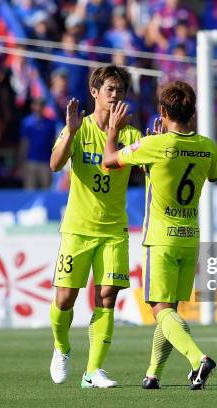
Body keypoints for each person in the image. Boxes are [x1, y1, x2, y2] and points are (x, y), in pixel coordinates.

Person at [103, 81, 217, 390]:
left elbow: (110, 161)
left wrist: (113, 131)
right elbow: (213, 175)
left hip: (161, 239)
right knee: (169, 311)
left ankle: (199, 359)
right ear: (193, 112)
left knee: (160, 309)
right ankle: (153, 374)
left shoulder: (152, 145)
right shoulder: (208, 145)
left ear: (162, 111)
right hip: (189, 237)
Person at [48, 65, 143, 388]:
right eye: (109, 89)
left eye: (120, 90)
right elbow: (55, 164)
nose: (115, 95)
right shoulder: (80, 127)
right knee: (65, 299)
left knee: (107, 296)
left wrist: (157, 145)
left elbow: (149, 167)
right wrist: (71, 132)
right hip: (77, 229)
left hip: (114, 230)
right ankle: (61, 349)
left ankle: (93, 371)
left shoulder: (131, 134)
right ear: (95, 92)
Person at [19, 98, 57, 189]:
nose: (38, 108)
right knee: (29, 190)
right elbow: (24, 143)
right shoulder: (27, 122)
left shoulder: (50, 124)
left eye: (41, 105)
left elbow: (54, 143)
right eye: (36, 105)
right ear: (33, 106)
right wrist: (21, 162)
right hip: (31, 162)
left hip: (46, 163)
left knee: (46, 190)